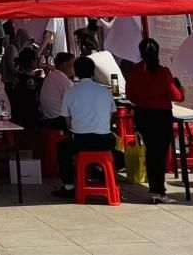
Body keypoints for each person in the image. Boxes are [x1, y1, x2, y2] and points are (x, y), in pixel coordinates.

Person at [50, 56, 123, 197]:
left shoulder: (71, 92)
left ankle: (69, 186)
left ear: (76, 72)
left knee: (62, 148)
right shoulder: (105, 92)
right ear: (93, 72)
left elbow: (67, 121)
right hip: (103, 141)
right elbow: (109, 118)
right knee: (120, 156)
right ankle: (100, 171)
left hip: (79, 141)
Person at [125, 37, 185, 204]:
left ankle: (154, 189)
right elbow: (176, 96)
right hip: (161, 116)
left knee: (151, 153)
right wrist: (181, 90)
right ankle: (159, 190)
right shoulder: (163, 72)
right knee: (160, 155)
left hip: (143, 115)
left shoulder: (135, 71)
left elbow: (130, 95)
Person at [39, 53, 75, 129]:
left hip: (48, 119)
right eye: (73, 64)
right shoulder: (64, 80)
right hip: (59, 121)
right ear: (65, 65)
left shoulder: (50, 76)